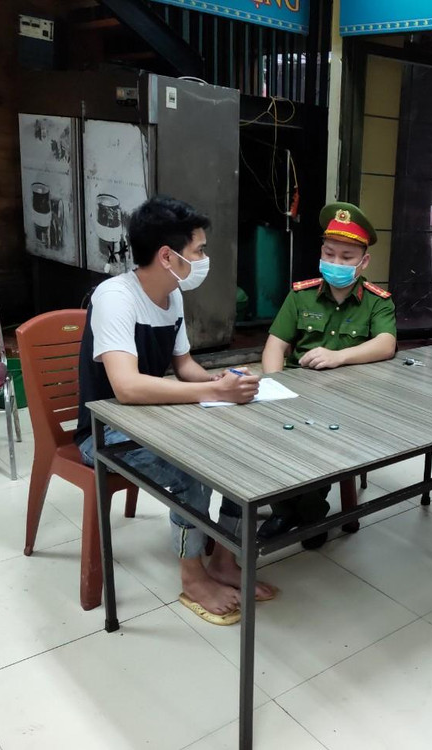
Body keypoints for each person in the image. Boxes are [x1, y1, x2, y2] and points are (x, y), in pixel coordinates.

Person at [75, 195, 277, 626]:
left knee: (246, 449)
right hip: (105, 431)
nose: (203, 260)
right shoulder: (115, 297)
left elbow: (185, 368)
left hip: (154, 419)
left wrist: (225, 381)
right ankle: (193, 576)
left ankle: (225, 559)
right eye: (198, 251)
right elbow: (126, 387)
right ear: (167, 256)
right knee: (192, 470)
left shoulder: (172, 296)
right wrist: (214, 392)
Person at [257, 202, 397, 548]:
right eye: (329, 254)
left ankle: (305, 514)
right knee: (271, 433)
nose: (336, 263)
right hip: (296, 393)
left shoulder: (377, 301)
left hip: (349, 400)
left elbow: (386, 343)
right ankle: (295, 511)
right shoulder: (301, 295)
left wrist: (339, 356)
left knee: (321, 442)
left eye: (347, 257)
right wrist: (276, 386)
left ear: (364, 262)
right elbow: (274, 347)